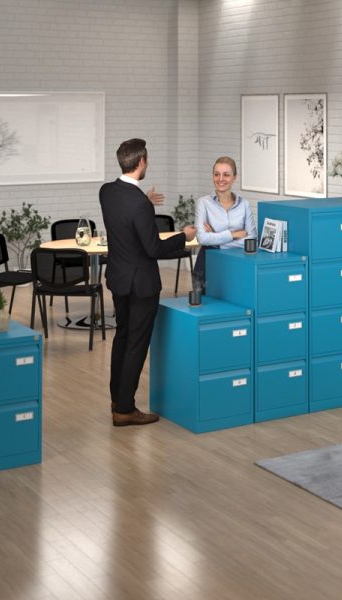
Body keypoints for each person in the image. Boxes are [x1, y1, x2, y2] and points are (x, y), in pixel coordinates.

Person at [100, 138, 196, 427]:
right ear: (141, 162)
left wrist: (145, 202)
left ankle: (117, 399)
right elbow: (153, 248)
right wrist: (184, 237)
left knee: (122, 337)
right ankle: (125, 409)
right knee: (136, 344)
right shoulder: (139, 204)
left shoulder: (107, 192)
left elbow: (126, 215)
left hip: (118, 279)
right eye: (147, 160)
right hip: (141, 284)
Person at [193, 156, 256, 291]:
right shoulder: (203, 203)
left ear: (234, 177)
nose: (220, 179)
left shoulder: (244, 205)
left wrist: (215, 238)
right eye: (217, 174)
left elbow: (251, 239)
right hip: (208, 263)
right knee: (205, 307)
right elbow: (202, 238)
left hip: (237, 262)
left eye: (226, 175)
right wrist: (233, 235)